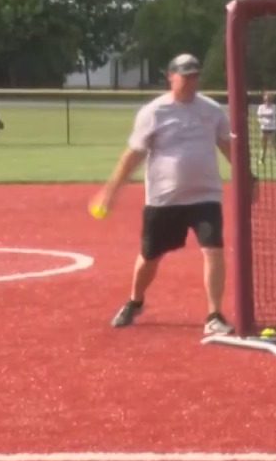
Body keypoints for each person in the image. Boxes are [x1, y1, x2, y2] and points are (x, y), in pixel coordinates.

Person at [89, 53, 239, 336]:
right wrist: (110, 192)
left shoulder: (211, 110)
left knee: (213, 250)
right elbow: (132, 156)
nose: (191, 80)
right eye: (185, 75)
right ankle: (135, 301)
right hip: (164, 200)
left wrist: (247, 177)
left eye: (195, 75)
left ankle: (214, 314)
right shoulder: (154, 112)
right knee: (150, 256)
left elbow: (227, 146)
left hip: (205, 196)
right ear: (171, 77)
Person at [256, 90, 276, 164]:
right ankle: (262, 159)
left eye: (269, 98)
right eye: (266, 98)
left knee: (274, 145)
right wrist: (262, 122)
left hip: (273, 129)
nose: (267, 100)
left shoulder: (274, 107)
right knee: (263, 145)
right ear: (264, 99)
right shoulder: (261, 107)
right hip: (264, 129)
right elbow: (259, 117)